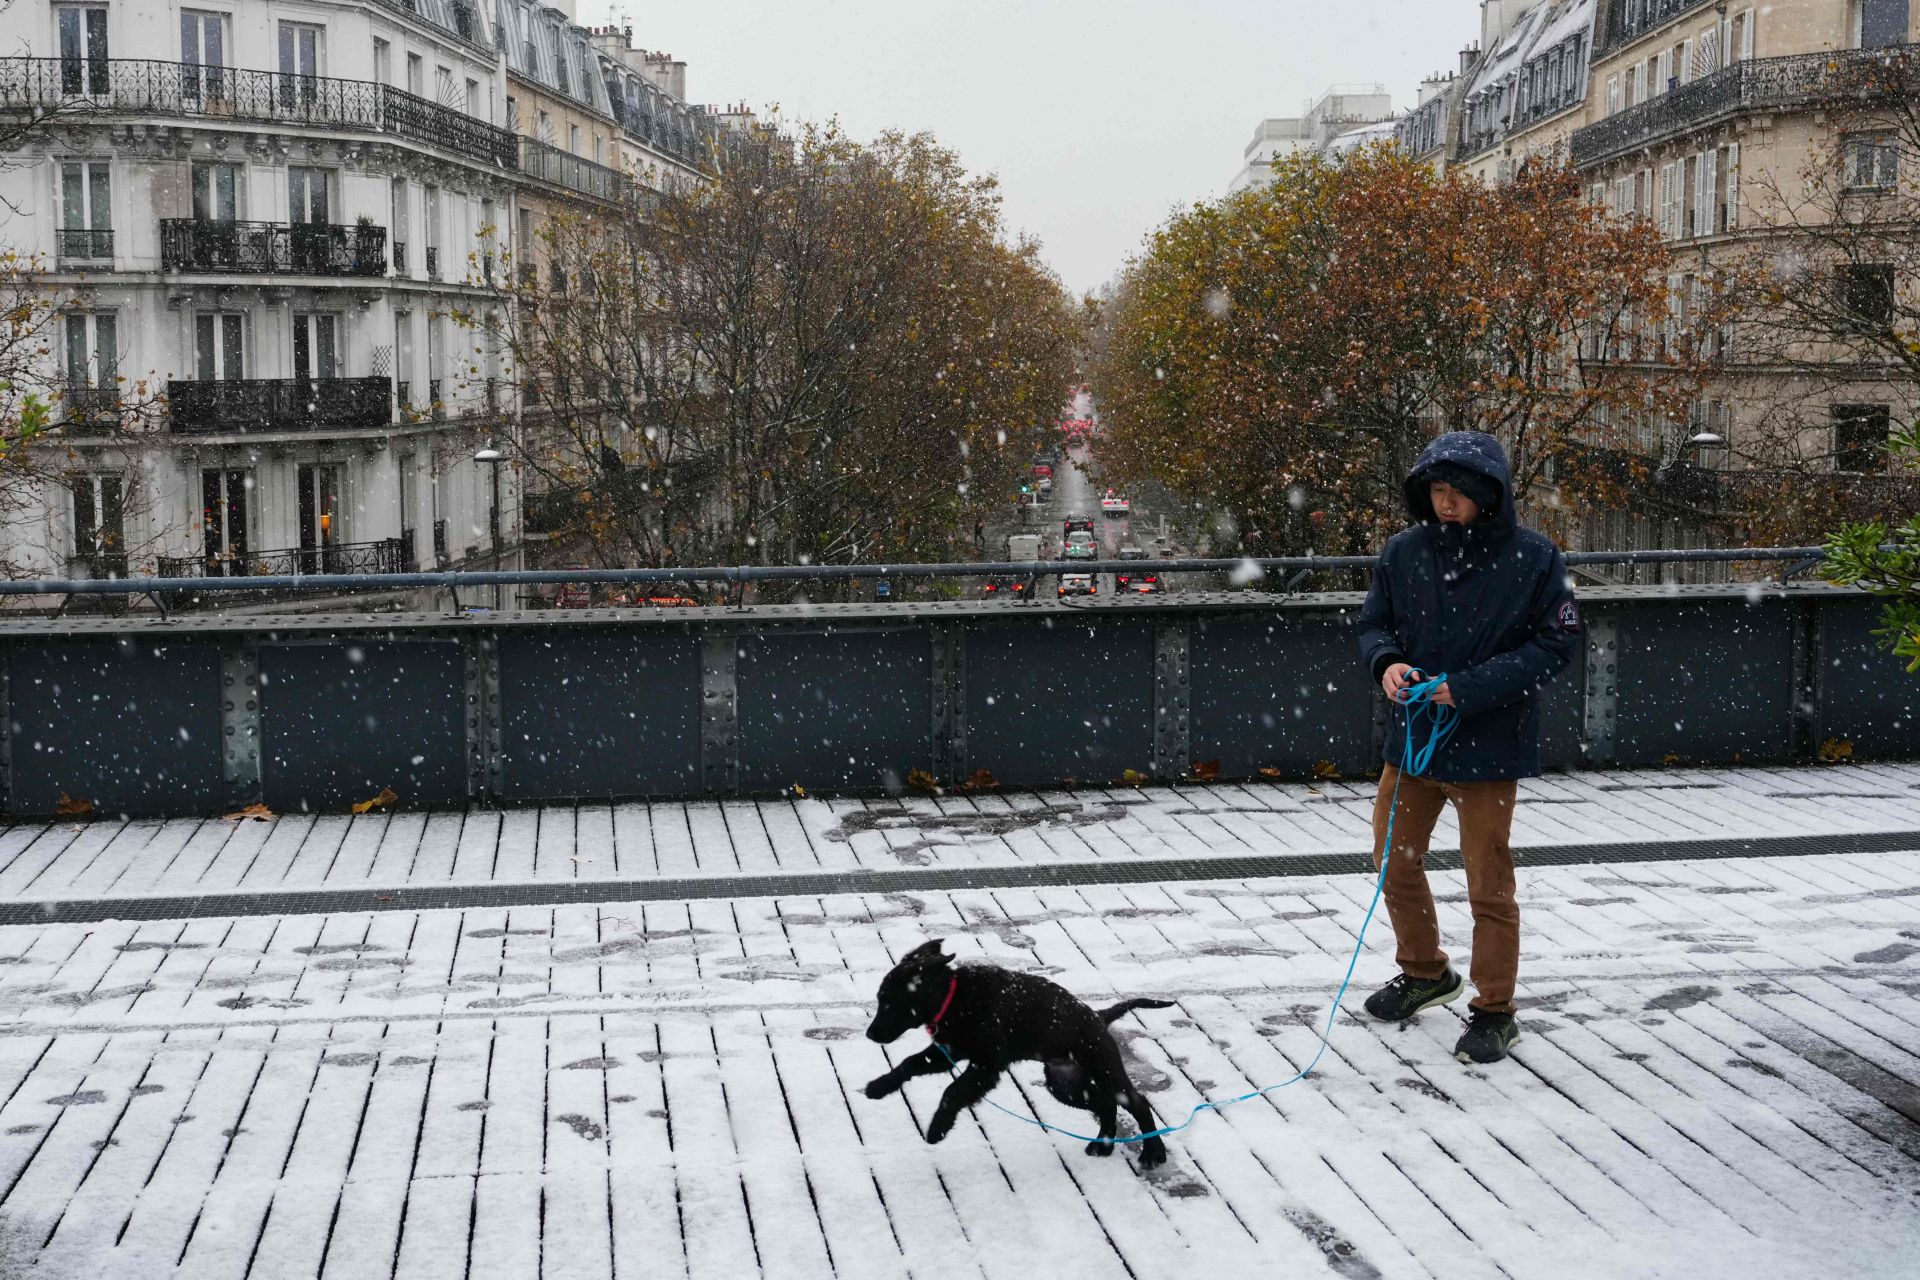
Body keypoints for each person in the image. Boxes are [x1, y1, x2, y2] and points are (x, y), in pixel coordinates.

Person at [1356, 431, 1579, 1064]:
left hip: (1489, 750)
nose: (1445, 503)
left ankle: (1494, 1009)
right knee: (1392, 863)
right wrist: (1387, 664)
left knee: (1488, 883)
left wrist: (1468, 689)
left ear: (1488, 495)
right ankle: (1426, 972)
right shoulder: (1404, 552)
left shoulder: (1535, 558)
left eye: (1456, 493)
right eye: (1436, 491)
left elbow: (1555, 647)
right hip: (1413, 745)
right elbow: (1374, 623)